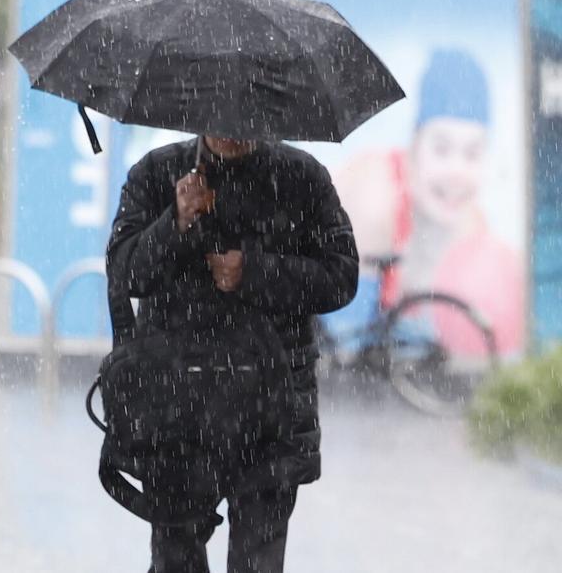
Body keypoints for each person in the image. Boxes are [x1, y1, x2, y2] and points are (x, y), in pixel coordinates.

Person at [107, 134, 359, 573]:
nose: (228, 122)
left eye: (241, 112)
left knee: (258, 564)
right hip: (175, 411)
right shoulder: (157, 172)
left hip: (271, 412)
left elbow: (341, 276)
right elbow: (126, 274)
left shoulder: (300, 176)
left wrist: (255, 271)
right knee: (175, 561)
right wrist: (177, 220)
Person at [330, 48, 523, 358]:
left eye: (472, 154)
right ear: (415, 146)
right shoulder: (374, 199)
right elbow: (343, 348)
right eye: (442, 149)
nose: (456, 173)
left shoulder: (469, 225)